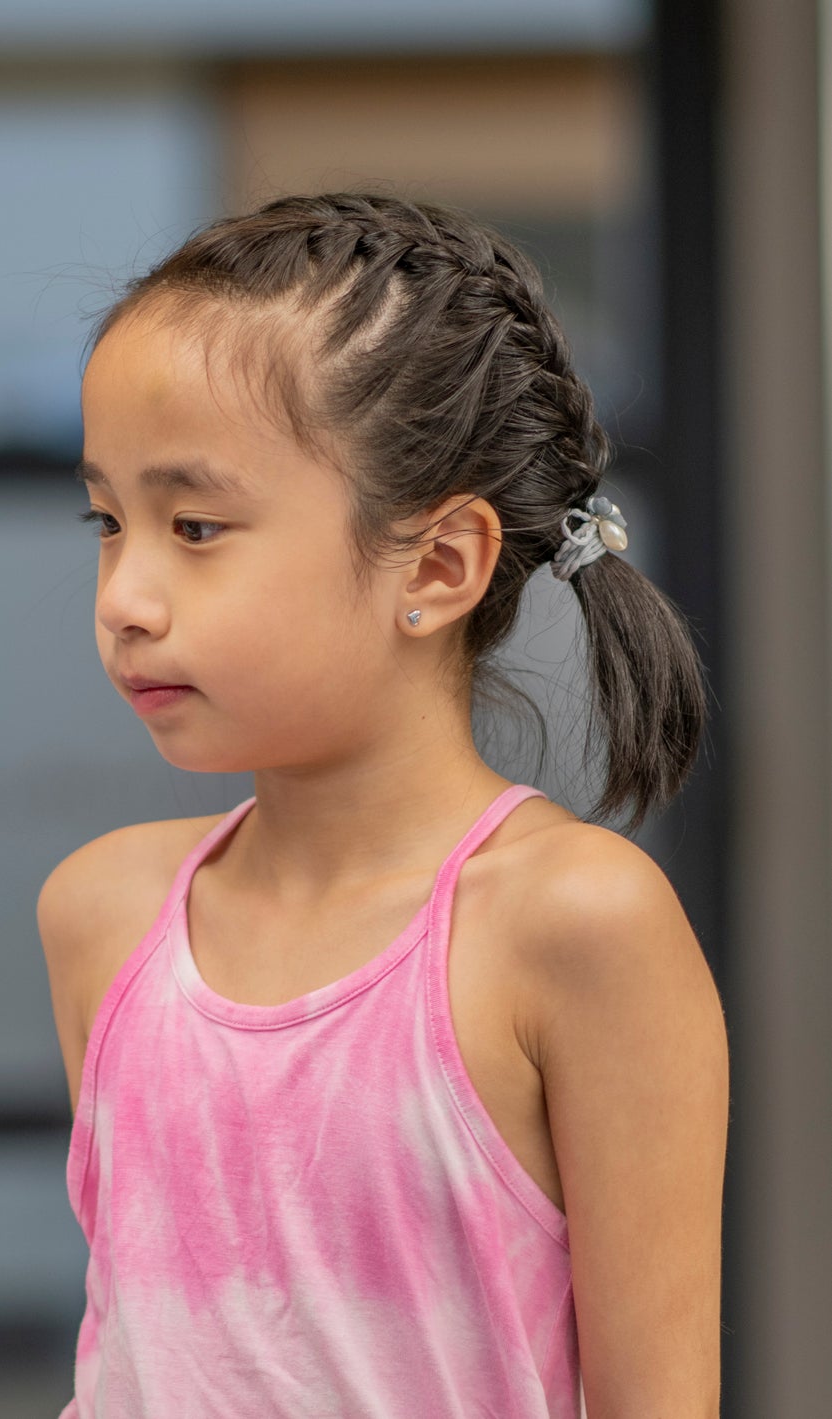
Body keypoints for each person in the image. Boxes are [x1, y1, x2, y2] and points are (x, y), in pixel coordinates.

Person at [39, 194, 726, 1416]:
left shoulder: (576, 924)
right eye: (108, 521)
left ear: (440, 564)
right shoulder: (103, 915)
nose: (124, 598)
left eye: (195, 526)